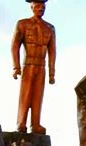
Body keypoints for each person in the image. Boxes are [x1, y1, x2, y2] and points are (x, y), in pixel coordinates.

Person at [11, 0, 55, 134]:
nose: (41, 9)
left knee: (37, 96)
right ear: (32, 7)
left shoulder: (49, 28)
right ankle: (21, 123)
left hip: (41, 66)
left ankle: (35, 123)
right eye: (38, 6)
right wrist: (16, 67)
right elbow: (14, 46)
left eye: (43, 6)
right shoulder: (23, 24)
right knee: (26, 94)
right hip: (28, 64)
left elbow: (52, 51)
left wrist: (52, 73)